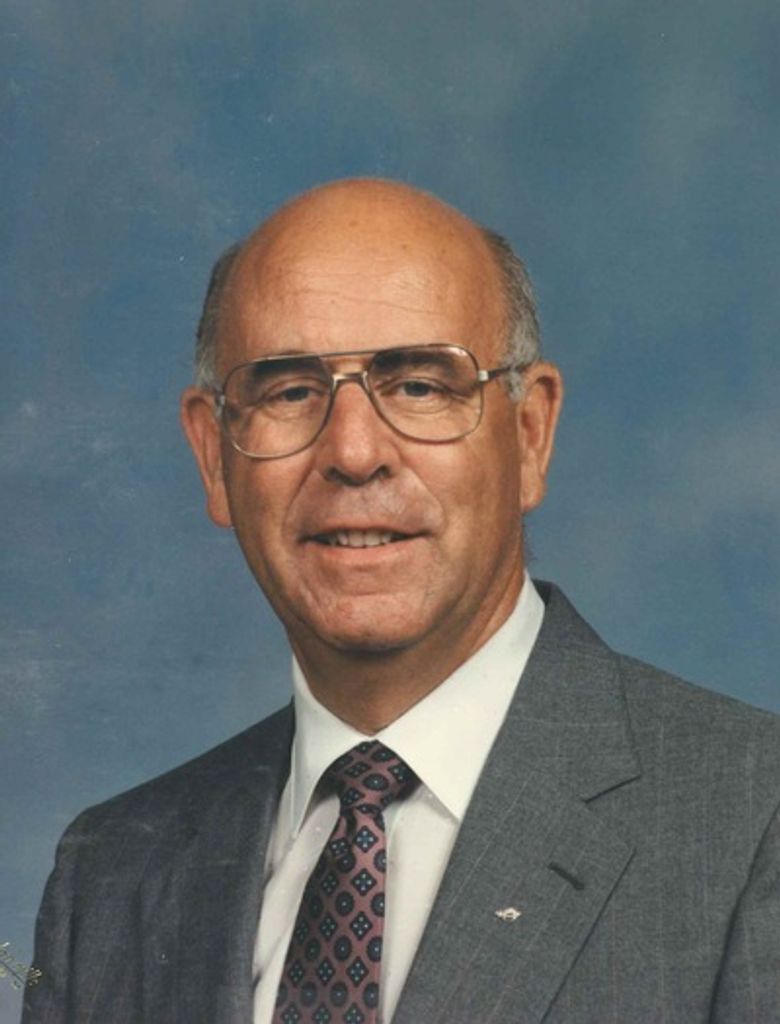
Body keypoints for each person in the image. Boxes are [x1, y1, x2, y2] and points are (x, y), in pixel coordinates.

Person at [23, 179, 780, 1024]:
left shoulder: (753, 820)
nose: (353, 453)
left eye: (420, 384)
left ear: (530, 434)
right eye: (289, 391)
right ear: (213, 455)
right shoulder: (109, 876)